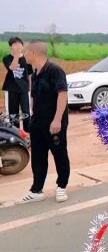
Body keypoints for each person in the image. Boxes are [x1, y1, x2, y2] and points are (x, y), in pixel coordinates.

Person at [17, 41, 70, 204]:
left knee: (59, 154)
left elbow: (62, 95)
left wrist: (57, 120)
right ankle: (36, 190)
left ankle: (62, 187)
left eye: (25, 52)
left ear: (33, 53)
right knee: (38, 156)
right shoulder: (35, 73)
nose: (24, 55)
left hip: (53, 123)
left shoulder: (55, 71)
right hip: (37, 122)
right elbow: (33, 97)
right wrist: (33, 117)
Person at [2, 37, 32, 132]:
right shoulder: (7, 58)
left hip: (24, 90)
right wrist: (16, 55)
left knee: (26, 113)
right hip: (11, 89)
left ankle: (28, 134)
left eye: (20, 45)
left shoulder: (27, 59)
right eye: (15, 45)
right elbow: (13, 67)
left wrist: (30, 89)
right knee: (13, 114)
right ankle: (15, 133)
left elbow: (29, 75)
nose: (18, 47)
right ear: (11, 47)